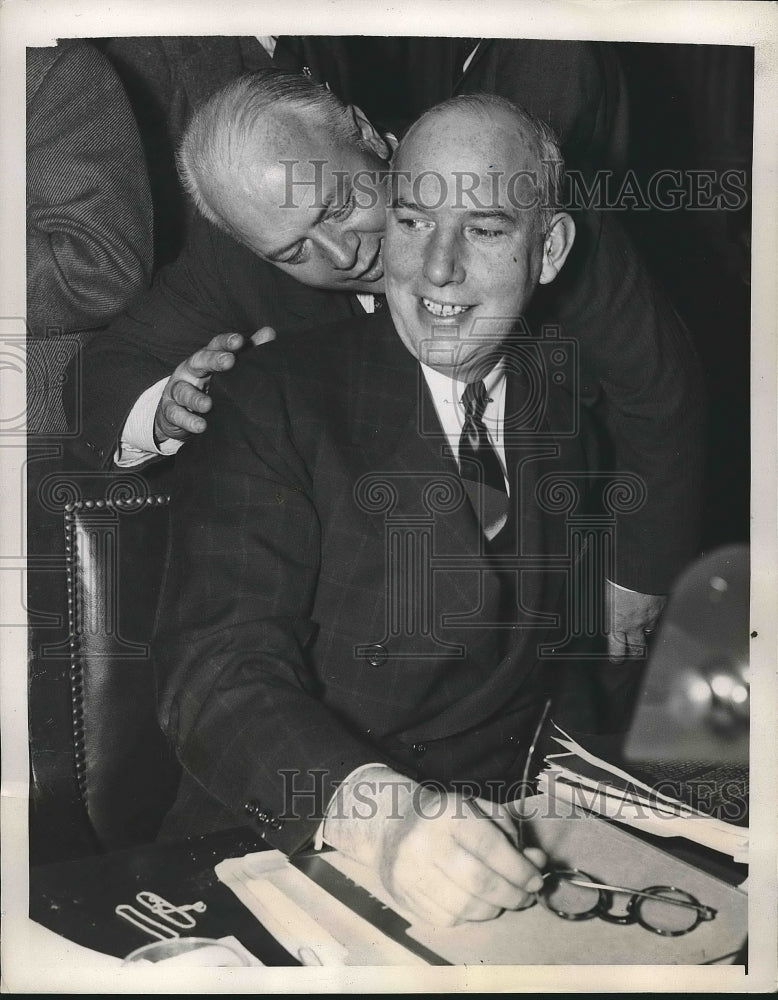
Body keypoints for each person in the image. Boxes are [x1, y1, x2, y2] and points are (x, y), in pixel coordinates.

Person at [71, 66, 704, 668]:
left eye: (340, 205)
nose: (342, 254)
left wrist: (636, 577)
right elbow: (102, 373)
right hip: (389, 602)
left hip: (559, 544)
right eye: (294, 249)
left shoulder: (520, 203)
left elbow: (660, 394)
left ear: (369, 135)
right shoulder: (236, 259)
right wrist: (168, 406)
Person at [154, 92, 589, 927]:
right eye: (416, 223)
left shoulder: (566, 404)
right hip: (280, 854)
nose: (438, 270)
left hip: (509, 862)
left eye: (488, 229)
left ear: (550, 250)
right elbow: (214, 670)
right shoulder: (266, 400)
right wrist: (389, 824)